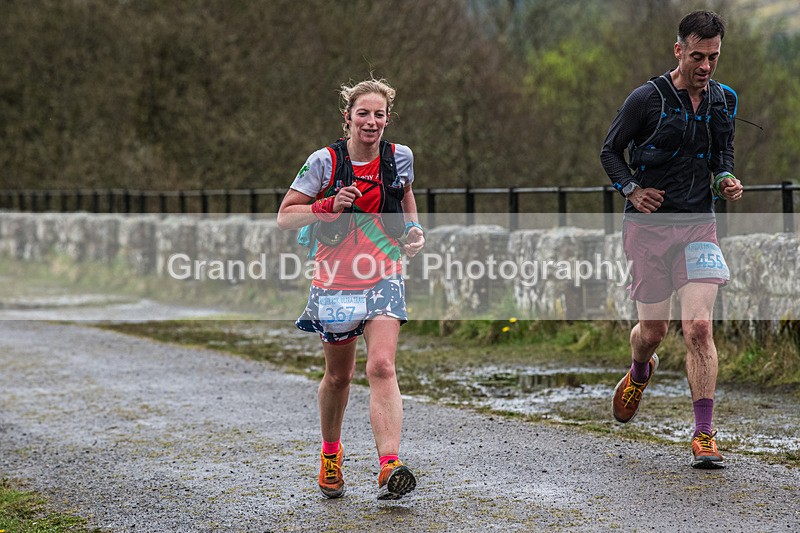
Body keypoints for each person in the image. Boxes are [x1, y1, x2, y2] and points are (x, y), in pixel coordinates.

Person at [600, 11, 743, 469]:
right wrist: (632, 190)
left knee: (699, 327)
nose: (705, 66)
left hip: (699, 225)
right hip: (650, 230)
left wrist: (725, 180)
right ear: (678, 50)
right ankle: (640, 371)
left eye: (713, 57)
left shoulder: (723, 100)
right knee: (654, 332)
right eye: (697, 56)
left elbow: (723, 156)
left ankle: (704, 435)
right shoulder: (647, 99)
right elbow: (609, 150)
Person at [277, 78, 425, 499]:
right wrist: (326, 206)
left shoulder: (400, 158)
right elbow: (285, 217)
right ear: (348, 117)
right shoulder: (323, 162)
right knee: (339, 377)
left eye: (379, 115)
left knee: (381, 366)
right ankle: (330, 454)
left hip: (384, 274)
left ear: (387, 119)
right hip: (336, 281)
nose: (371, 122)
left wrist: (414, 231)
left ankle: (389, 465)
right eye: (363, 113)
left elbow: (407, 197)